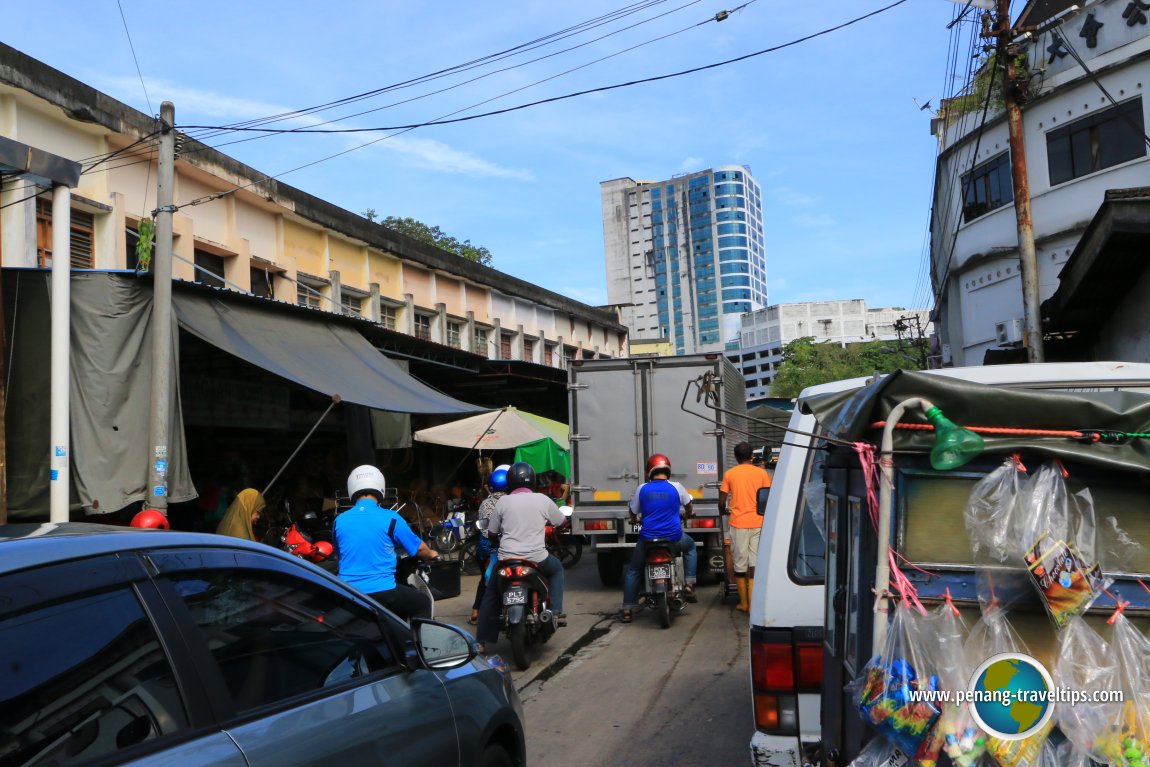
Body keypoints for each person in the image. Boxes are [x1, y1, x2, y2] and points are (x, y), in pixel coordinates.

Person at [475, 462, 567, 653]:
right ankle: (556, 611)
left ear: (510, 482)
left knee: (491, 593)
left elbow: (491, 533)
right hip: (537, 558)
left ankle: (481, 642)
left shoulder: (502, 502)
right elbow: (562, 521)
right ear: (532, 480)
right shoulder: (542, 499)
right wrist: (556, 528)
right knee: (557, 568)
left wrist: (497, 539)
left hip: (507, 558)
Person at [333, 464, 440, 621]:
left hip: (347, 591)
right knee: (422, 603)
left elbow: (340, 554)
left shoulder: (339, 520)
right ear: (380, 486)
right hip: (382, 591)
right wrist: (431, 554)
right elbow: (420, 549)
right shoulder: (391, 517)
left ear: (351, 488)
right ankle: (417, 645)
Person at [620, 453, 699, 623]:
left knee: (633, 570)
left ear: (650, 470)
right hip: (673, 539)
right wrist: (689, 514)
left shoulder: (642, 489)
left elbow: (633, 512)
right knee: (690, 547)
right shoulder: (677, 487)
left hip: (648, 540)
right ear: (667, 469)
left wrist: (635, 520)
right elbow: (689, 506)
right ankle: (689, 584)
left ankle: (627, 608)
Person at [719, 441, 772, 612]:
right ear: (751, 456)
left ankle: (744, 603)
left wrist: (723, 510)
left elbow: (722, 500)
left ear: (735, 457)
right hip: (759, 522)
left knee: (740, 563)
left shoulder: (730, 474)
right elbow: (767, 497)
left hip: (738, 523)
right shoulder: (762, 473)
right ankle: (754, 603)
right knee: (755, 562)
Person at [469, 464, 510, 625]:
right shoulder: (509, 501)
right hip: (499, 547)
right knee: (491, 580)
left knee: (486, 579)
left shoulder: (485, 503)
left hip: (485, 547)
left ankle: (476, 611)